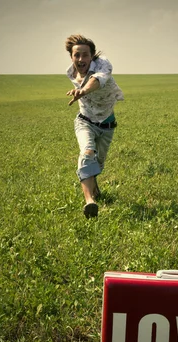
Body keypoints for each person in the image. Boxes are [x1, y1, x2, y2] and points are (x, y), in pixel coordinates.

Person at [65, 34, 124, 218]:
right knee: (87, 153)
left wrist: (82, 91)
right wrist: (79, 91)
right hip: (85, 121)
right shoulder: (70, 73)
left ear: (92, 56)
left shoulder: (103, 64)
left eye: (85, 55)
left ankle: (94, 187)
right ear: (71, 56)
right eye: (77, 55)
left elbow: (97, 80)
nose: (81, 59)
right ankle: (90, 201)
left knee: (98, 163)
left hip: (107, 124)